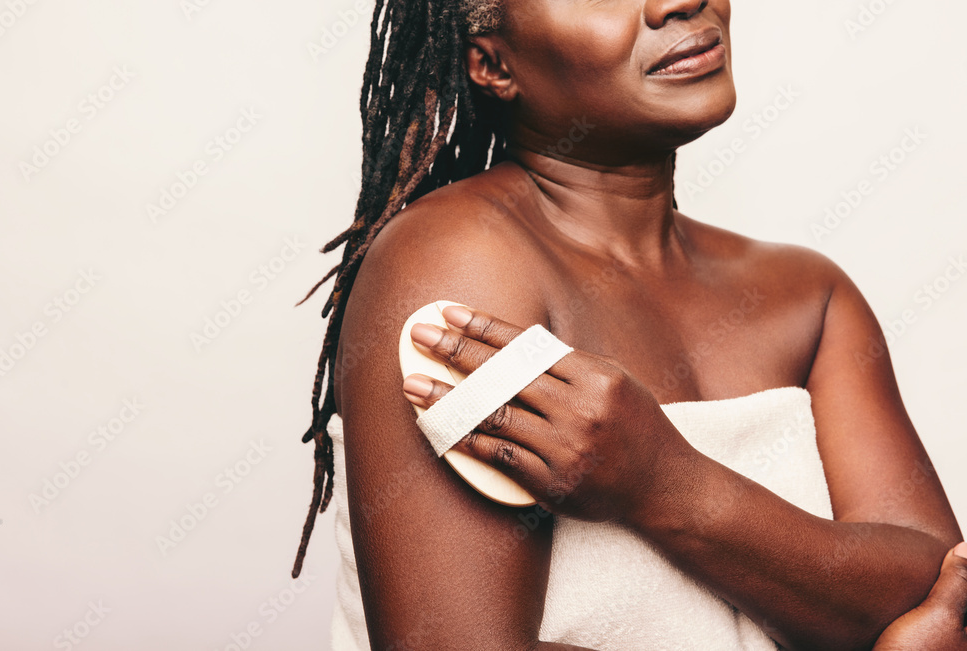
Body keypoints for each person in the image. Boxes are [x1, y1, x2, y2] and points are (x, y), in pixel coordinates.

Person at [291, 0, 965, 648]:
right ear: (494, 65)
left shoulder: (809, 296)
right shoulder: (458, 259)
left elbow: (941, 593)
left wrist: (665, 482)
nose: (680, 2)